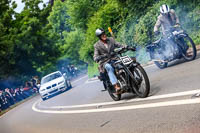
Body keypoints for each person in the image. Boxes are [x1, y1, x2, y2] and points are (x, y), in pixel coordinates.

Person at [93, 28, 126, 94]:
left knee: (124, 64)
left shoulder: (110, 39)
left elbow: (118, 44)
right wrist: (97, 57)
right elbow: (95, 56)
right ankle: (116, 86)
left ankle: (129, 79)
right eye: (102, 35)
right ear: (99, 37)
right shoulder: (97, 45)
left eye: (104, 34)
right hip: (105, 62)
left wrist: (125, 46)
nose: (104, 35)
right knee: (109, 67)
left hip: (114, 58)